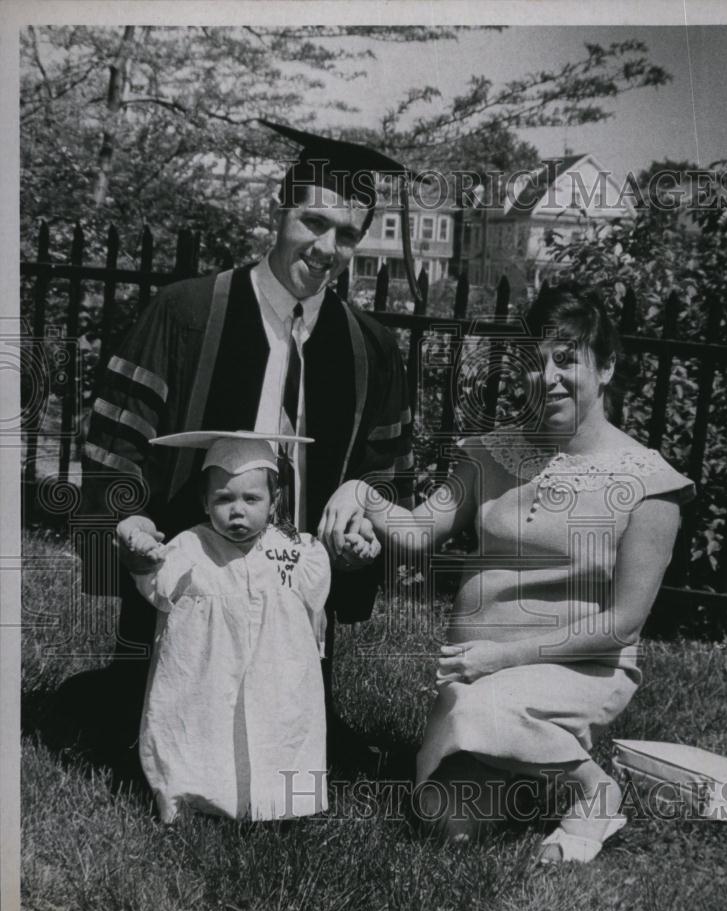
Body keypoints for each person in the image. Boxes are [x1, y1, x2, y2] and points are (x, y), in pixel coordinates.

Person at [68, 121, 416, 778]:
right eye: (312, 221)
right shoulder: (186, 312)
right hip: (180, 581)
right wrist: (128, 517)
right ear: (277, 209)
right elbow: (116, 445)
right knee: (140, 730)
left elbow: (384, 472)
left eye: (346, 234)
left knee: (286, 746)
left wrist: (362, 514)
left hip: (294, 597)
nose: (325, 246)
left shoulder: (370, 348)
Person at [319, 283, 695, 862]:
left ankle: (594, 789)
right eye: (534, 362)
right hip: (473, 676)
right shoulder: (490, 453)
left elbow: (621, 625)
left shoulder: (650, 485)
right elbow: (420, 532)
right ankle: (527, 769)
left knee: (483, 712)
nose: (547, 378)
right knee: (448, 826)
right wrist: (358, 491)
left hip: (577, 669)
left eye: (566, 359)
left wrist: (503, 658)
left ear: (608, 366)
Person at [124, 431, 379, 822]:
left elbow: (325, 575)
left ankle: (287, 803)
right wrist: (142, 558)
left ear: (274, 502)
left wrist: (355, 552)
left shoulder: (293, 549)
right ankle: (189, 800)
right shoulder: (189, 547)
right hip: (206, 675)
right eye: (224, 499)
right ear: (204, 501)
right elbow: (155, 585)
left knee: (284, 728)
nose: (237, 511)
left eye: (251, 499)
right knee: (201, 730)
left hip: (277, 676)